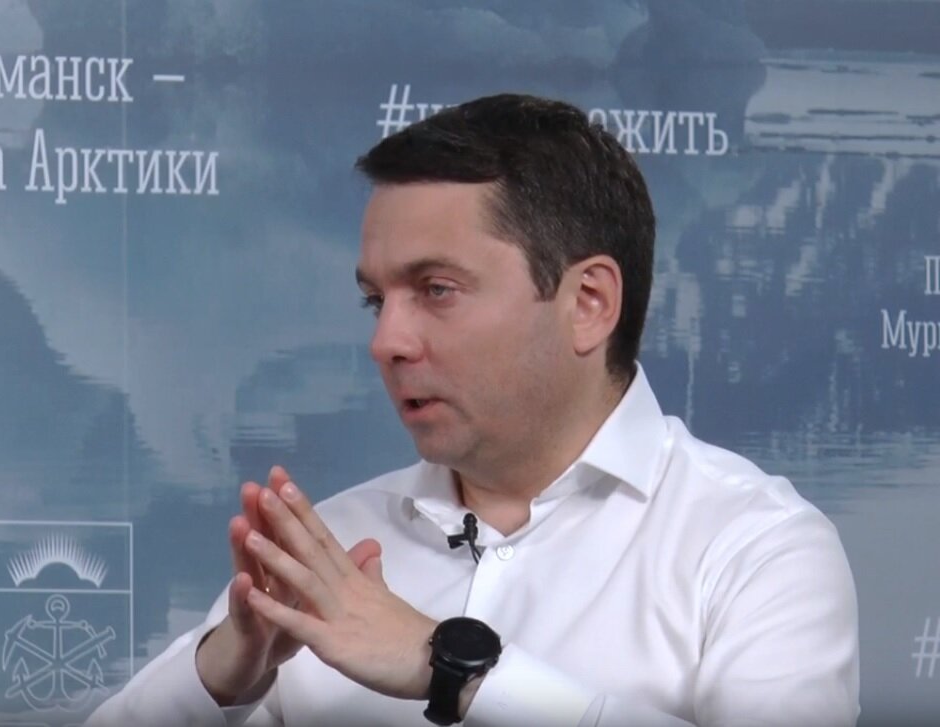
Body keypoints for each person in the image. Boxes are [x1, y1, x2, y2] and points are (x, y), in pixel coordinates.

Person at [85, 94, 859, 727]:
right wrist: (220, 673)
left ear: (589, 302)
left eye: (437, 290)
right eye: (376, 300)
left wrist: (454, 670)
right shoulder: (333, 557)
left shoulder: (754, 549)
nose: (386, 341)